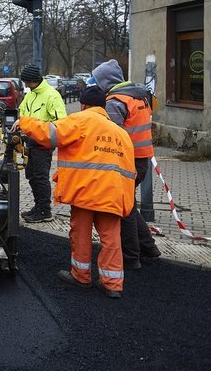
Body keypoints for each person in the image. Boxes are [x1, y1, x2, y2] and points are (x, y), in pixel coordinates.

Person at [14, 85, 136, 298]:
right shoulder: (120, 133)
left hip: (84, 192)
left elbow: (49, 134)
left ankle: (81, 276)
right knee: (111, 238)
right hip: (112, 194)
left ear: (83, 104)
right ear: (104, 106)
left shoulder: (80, 121)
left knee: (80, 234)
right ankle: (113, 284)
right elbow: (129, 171)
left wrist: (24, 121)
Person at [91, 59, 162, 270]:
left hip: (126, 161)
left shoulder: (116, 101)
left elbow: (111, 135)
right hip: (141, 159)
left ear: (106, 81)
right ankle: (149, 248)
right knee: (129, 204)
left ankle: (131, 257)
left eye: (98, 80)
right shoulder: (138, 96)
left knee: (124, 209)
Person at [17, 64, 67, 223]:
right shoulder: (30, 95)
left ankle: (45, 210)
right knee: (31, 176)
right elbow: (23, 114)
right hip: (30, 142)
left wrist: (37, 127)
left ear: (33, 80)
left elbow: (61, 122)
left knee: (40, 177)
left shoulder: (52, 95)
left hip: (43, 144)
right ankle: (38, 206)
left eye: (26, 81)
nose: (25, 85)